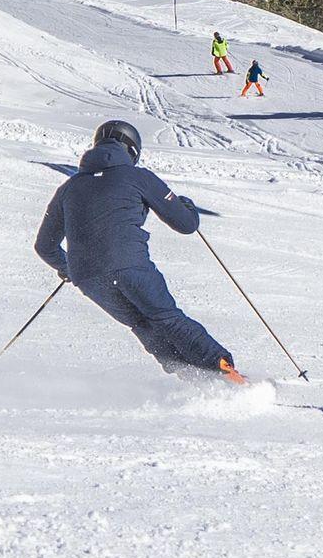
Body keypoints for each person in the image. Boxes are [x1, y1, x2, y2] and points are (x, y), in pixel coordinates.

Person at [34, 119, 242, 384]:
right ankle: (224, 370)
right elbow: (186, 224)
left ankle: (191, 377)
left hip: (87, 277)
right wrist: (187, 205)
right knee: (166, 318)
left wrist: (68, 269)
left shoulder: (69, 187)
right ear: (132, 150)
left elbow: (45, 246)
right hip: (128, 265)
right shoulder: (137, 177)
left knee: (142, 325)